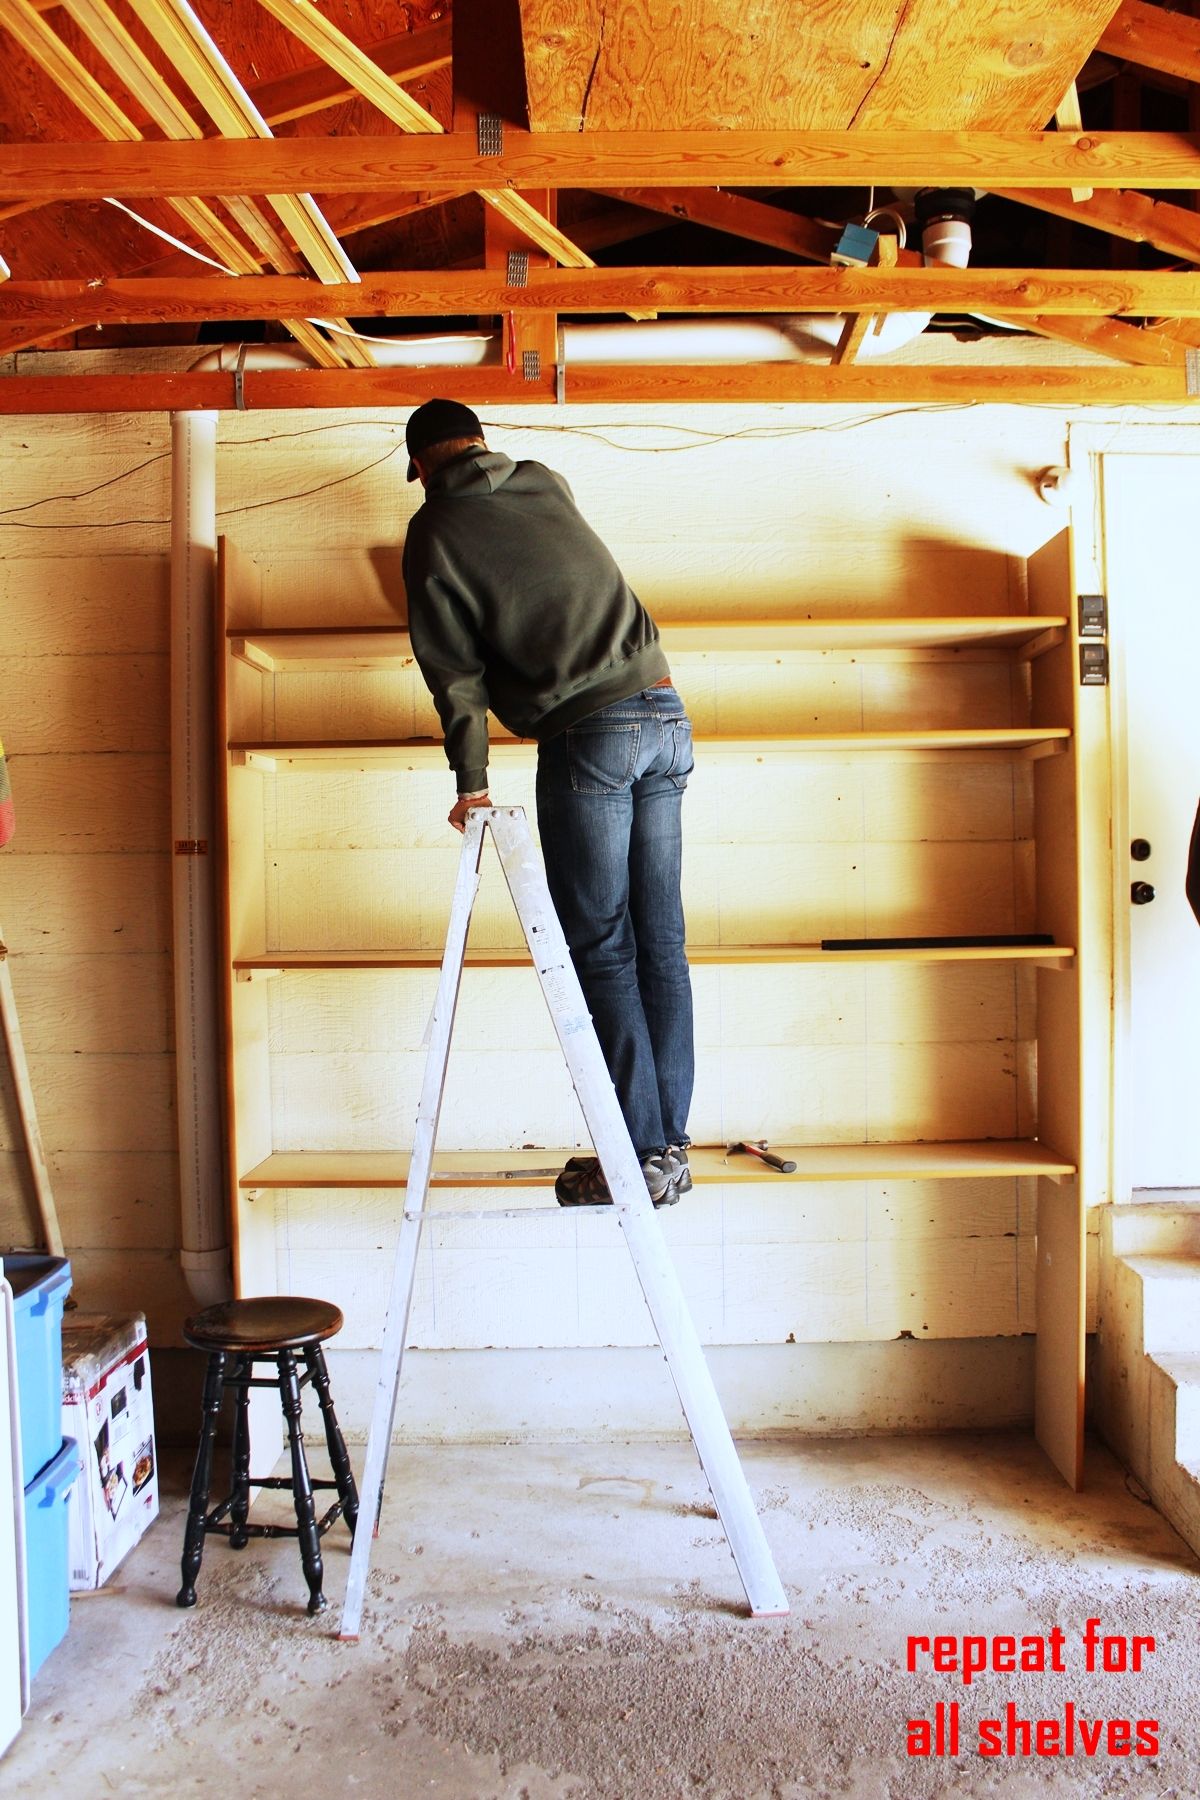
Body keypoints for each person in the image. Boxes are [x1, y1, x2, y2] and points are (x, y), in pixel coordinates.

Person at [401, 398, 694, 1210]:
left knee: (603, 947)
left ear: (421, 466)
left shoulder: (434, 530)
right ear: (484, 444)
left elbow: (453, 673)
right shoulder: (544, 481)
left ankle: (635, 1154)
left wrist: (472, 782)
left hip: (591, 735)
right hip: (668, 714)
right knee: (659, 940)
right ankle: (666, 1147)